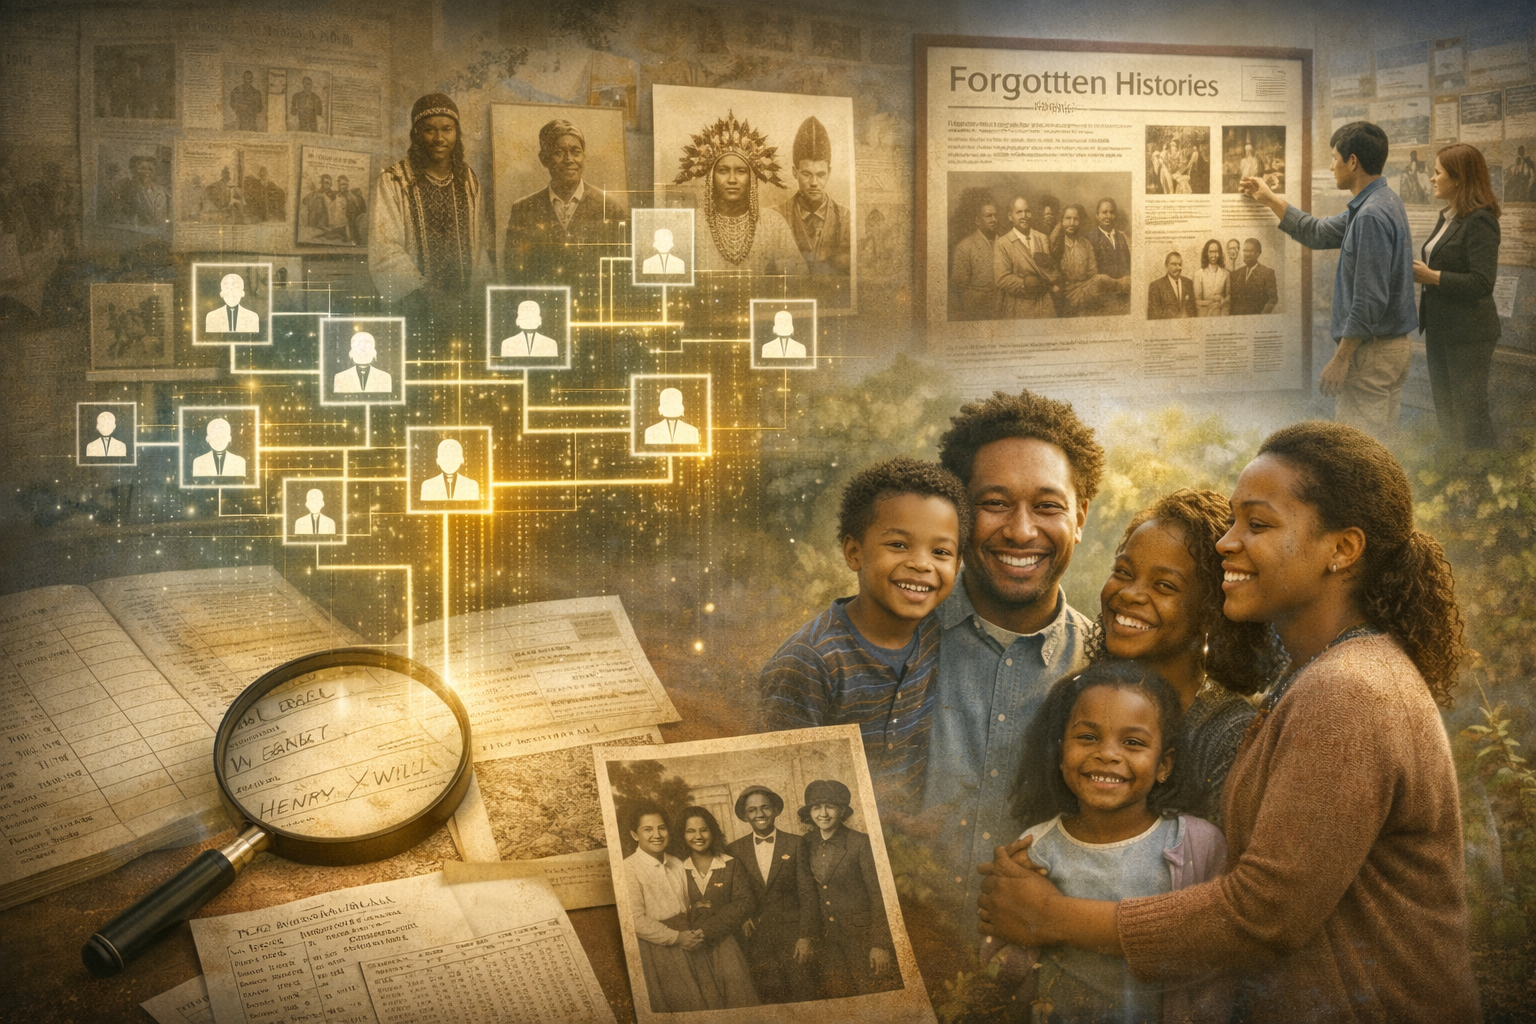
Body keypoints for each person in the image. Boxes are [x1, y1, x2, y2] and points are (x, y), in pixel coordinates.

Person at [978, 421, 1480, 1024]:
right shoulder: (1327, 676)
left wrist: (1052, 917)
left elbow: (1263, 914)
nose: (1226, 543)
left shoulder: (1348, 693)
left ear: (1343, 550)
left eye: (1258, 524)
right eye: (1235, 521)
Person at [920, 390, 1101, 923]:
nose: (1022, 531)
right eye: (995, 503)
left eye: (1047, 506)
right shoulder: (884, 643)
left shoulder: (1109, 674)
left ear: (1080, 517)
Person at [988, 663, 1230, 1024]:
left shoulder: (1197, 844)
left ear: (1164, 764)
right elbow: (1003, 962)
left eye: (1132, 743)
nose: (1108, 754)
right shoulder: (1035, 849)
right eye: (1088, 737)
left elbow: (1219, 962)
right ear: (1059, 751)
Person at [762, 458, 970, 812]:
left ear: (958, 564)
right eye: (899, 545)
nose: (922, 563)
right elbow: (781, 779)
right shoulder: (809, 663)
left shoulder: (939, 632)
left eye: (941, 552)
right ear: (854, 552)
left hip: (914, 843)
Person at [1088, 490, 1282, 821]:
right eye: (1123, 572)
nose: (1131, 594)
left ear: (1209, 614)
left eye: (1164, 586)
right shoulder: (1085, 698)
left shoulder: (1229, 735)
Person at [1241, 121, 1417, 437]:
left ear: (1353, 161)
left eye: (1335, 157)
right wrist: (1270, 199)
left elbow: (1368, 299)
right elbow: (1319, 232)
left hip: (1369, 354)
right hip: (1389, 350)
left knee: (1358, 457)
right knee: (1382, 450)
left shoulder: (1370, 216)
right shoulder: (1382, 201)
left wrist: (1340, 358)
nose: (1331, 166)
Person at [1414, 143, 1502, 448]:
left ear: (1459, 178)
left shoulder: (1481, 220)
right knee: (1448, 414)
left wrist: (1432, 276)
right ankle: (1457, 480)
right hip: (1441, 328)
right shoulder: (1450, 216)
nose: (1432, 179)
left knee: (1469, 417)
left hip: (1469, 333)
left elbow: (1482, 282)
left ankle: (1482, 483)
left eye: (1438, 173)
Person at [370, 93, 488, 313]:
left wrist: (474, 300)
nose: (439, 138)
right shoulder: (394, 181)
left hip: (463, 306)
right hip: (414, 305)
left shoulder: (468, 180)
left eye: (447, 129)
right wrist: (430, 297)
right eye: (429, 130)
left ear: (457, 133)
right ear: (416, 134)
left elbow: (478, 248)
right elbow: (385, 249)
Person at [795, 780, 898, 998]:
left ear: (842, 810)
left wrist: (880, 944)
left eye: (830, 806)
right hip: (828, 940)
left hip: (862, 940)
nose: (823, 813)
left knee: (870, 996)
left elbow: (879, 897)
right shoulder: (806, 843)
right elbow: (808, 896)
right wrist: (806, 936)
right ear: (809, 813)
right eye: (816, 807)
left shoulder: (860, 843)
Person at [673, 110, 799, 275]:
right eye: (723, 171)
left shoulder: (772, 224)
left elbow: (796, 275)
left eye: (740, 171)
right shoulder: (692, 224)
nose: (732, 179)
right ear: (711, 178)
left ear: (752, 179)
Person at [503, 119, 627, 286]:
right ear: (544, 159)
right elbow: (515, 274)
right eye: (559, 152)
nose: (569, 159)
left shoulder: (610, 207)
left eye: (576, 152)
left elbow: (620, 274)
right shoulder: (523, 209)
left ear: (584, 156)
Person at [725, 786, 817, 1004]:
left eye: (765, 807)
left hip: (793, 938)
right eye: (752, 810)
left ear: (775, 810)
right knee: (769, 999)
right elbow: (732, 893)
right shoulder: (734, 849)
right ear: (745, 815)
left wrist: (806, 936)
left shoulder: (796, 843)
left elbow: (808, 894)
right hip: (755, 939)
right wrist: (742, 917)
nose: (760, 814)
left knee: (803, 996)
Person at [622, 803, 717, 1012]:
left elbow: (686, 905)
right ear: (634, 835)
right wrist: (676, 937)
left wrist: (695, 921)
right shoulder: (628, 869)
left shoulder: (676, 863)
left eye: (662, 828)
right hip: (659, 948)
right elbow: (634, 920)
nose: (657, 834)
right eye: (648, 829)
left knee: (707, 1004)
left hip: (689, 940)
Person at [675, 806, 761, 1008]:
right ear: (682, 834)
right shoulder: (676, 867)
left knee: (737, 1000)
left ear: (713, 831)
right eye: (691, 831)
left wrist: (707, 930)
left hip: (728, 945)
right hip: (690, 947)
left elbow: (745, 902)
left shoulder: (730, 864)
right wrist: (689, 935)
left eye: (704, 829)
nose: (698, 836)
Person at [777, 115, 851, 302]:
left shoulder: (845, 218)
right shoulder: (777, 216)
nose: (814, 183)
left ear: (829, 172)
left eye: (820, 174)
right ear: (795, 172)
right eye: (806, 174)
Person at [993, 196, 1059, 318]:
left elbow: (1050, 270)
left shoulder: (1042, 238)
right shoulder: (1003, 243)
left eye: (1027, 211)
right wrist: (1024, 283)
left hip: (1045, 304)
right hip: (1018, 306)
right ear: (1010, 216)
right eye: (1019, 212)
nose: (1024, 216)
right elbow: (1001, 278)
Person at [949, 189, 1000, 319]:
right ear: (977, 220)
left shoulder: (1005, 243)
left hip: (1004, 310)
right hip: (977, 312)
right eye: (988, 216)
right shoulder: (964, 247)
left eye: (995, 215)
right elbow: (958, 288)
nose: (994, 219)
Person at [1055, 204, 1114, 316]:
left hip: (1085, 290)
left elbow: (1092, 272)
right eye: (1068, 218)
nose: (1072, 223)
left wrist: (1084, 285)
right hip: (1064, 294)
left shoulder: (1086, 244)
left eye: (1076, 219)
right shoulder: (1054, 244)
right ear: (1061, 221)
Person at [1086, 199, 1131, 316]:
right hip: (1103, 295)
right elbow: (1091, 272)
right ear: (1097, 215)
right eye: (1104, 212)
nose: (1108, 216)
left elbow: (1129, 264)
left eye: (1111, 212)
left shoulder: (1123, 237)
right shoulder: (1090, 239)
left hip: (1126, 292)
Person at [109, 155, 168, 230]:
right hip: (132, 229)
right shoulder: (125, 186)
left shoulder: (160, 190)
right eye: (143, 168)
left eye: (150, 169)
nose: (147, 172)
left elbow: (162, 217)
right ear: (133, 170)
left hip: (155, 231)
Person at [1229, 237, 1279, 316]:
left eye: (1250, 251)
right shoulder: (1237, 273)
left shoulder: (1267, 273)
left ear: (1258, 253)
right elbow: (1232, 300)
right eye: (1245, 250)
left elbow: (1273, 299)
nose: (1246, 254)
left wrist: (1261, 317)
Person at [1146, 251, 1196, 319]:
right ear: (1166, 266)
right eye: (1174, 264)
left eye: (1180, 264)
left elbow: (1194, 311)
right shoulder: (1156, 286)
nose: (1178, 268)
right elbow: (1153, 315)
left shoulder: (1188, 283)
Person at [1193, 238, 1229, 317]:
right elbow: (1196, 301)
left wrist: (1222, 300)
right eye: (1211, 252)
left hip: (1221, 313)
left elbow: (1228, 296)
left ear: (1219, 253)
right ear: (1206, 253)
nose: (1213, 255)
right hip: (1205, 313)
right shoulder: (1198, 274)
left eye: (1216, 252)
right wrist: (1211, 302)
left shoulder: (1226, 274)